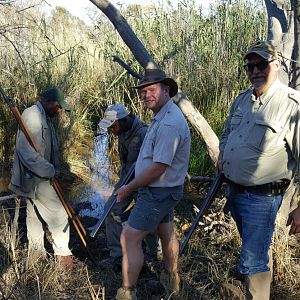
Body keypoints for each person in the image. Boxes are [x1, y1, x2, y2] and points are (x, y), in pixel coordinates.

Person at [217, 40, 300, 300]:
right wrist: (223, 154)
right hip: (235, 192)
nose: (254, 71)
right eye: (250, 66)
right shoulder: (242, 100)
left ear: (276, 64)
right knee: (256, 253)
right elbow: (227, 132)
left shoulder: (291, 104)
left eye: (261, 64)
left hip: (262, 198)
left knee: (253, 260)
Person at [114, 69, 191, 300]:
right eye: (143, 91)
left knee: (128, 237)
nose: (146, 95)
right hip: (164, 190)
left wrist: (129, 187)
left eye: (151, 90)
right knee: (165, 232)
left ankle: (127, 292)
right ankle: (171, 279)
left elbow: (158, 168)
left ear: (166, 90)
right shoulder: (162, 116)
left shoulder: (169, 123)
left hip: (158, 192)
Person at [9, 87, 73, 269]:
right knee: (59, 215)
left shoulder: (45, 117)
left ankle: (35, 255)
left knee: (34, 215)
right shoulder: (32, 115)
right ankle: (63, 257)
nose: (60, 111)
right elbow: (25, 151)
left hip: (39, 176)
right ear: (49, 102)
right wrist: (49, 170)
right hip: (37, 178)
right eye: (59, 107)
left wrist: (53, 169)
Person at [98, 103, 158, 268]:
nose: (111, 130)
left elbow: (154, 166)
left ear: (124, 120)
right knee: (110, 209)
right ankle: (117, 255)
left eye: (113, 125)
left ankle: (152, 256)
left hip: (145, 184)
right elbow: (126, 164)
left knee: (148, 218)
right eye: (109, 126)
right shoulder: (122, 132)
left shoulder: (144, 134)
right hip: (126, 181)